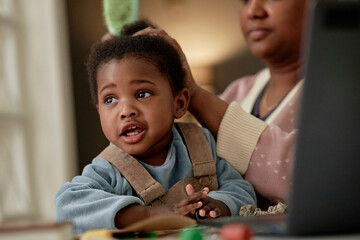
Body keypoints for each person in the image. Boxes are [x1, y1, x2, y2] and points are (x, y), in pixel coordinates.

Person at [54, 20, 256, 234]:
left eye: (142, 94)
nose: (126, 110)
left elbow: (242, 190)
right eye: (110, 99)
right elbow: (67, 205)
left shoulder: (201, 142)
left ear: (179, 104)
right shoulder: (109, 169)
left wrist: (220, 204)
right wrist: (146, 215)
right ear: (99, 113)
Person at [134, 0, 307, 208]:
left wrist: (195, 94)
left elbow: (309, 177)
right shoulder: (239, 91)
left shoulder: (340, 92)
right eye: (245, 1)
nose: (253, 11)